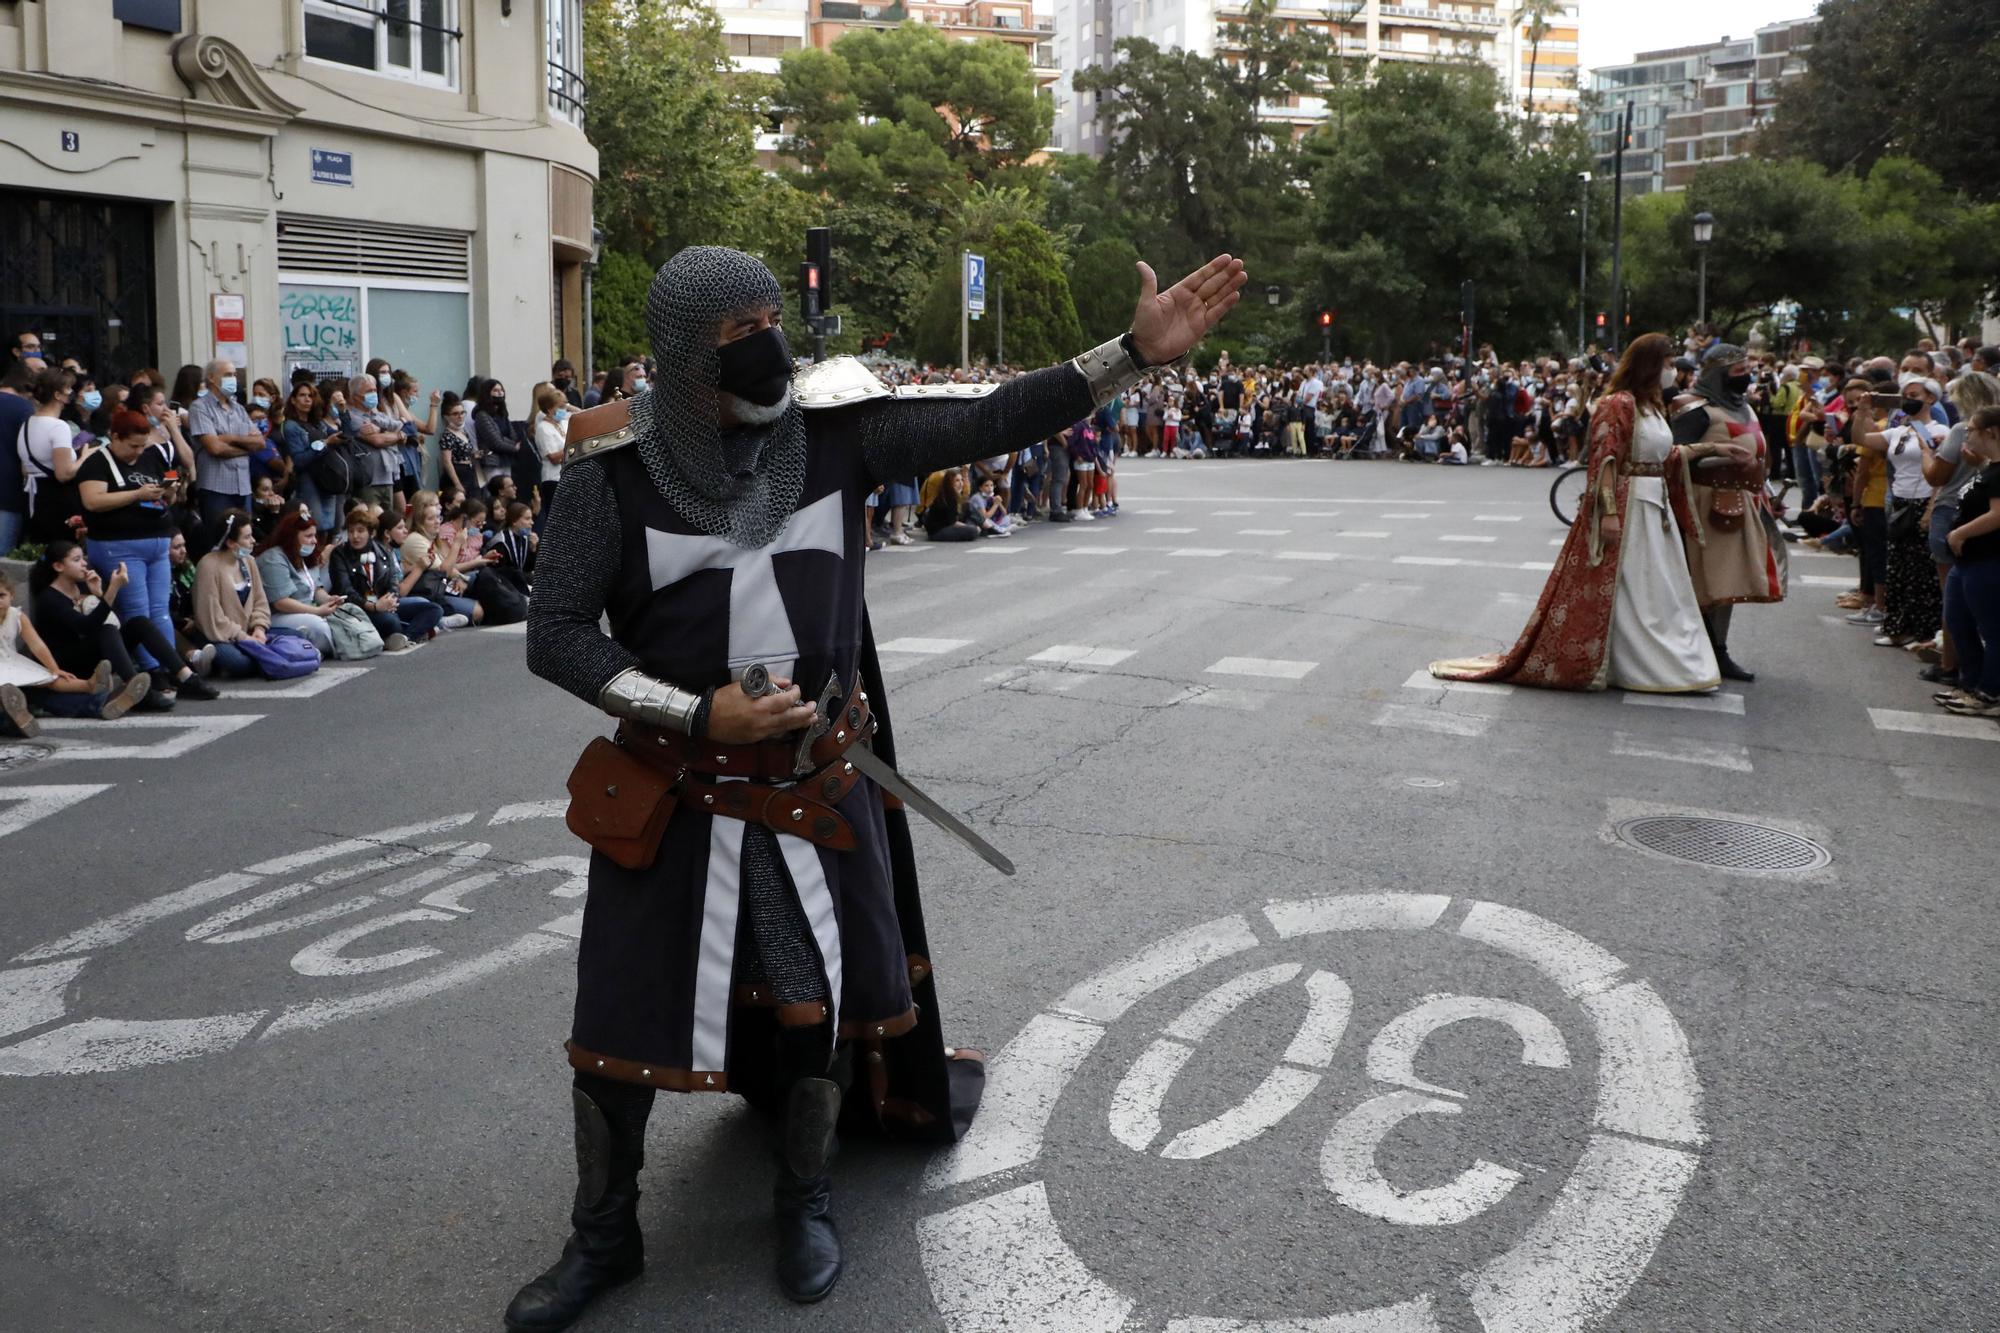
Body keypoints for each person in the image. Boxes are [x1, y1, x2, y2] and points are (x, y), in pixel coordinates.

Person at [512, 244, 1243, 1328]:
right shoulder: (610, 465)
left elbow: (988, 420)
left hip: (808, 783)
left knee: (816, 1005)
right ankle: (603, 1234)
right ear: (678, 353)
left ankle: (803, 1200)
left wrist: (1130, 354)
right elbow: (556, 634)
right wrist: (691, 710)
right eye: (733, 331)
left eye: (771, 314)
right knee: (616, 1022)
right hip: (673, 785)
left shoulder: (836, 430)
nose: (765, 338)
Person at [1432, 333, 1728, 693]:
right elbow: (1605, 460)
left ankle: (1649, 660)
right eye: (1668, 365)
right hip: (1628, 505)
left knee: (1654, 588)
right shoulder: (1618, 404)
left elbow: (1662, 458)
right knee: (1633, 587)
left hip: (1655, 508)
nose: (1674, 372)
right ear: (1651, 365)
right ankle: (1637, 663)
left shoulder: (1652, 407)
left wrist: (1707, 449)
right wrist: (1608, 513)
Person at [1672, 344, 1787, 682]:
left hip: (1742, 501)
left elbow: (1757, 452)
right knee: (1703, 582)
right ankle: (1697, 652)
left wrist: (1764, 492)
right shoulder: (1691, 407)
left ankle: (1718, 649)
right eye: (1738, 372)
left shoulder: (1745, 408)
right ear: (1717, 375)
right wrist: (1719, 456)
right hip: (1703, 501)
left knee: (1726, 584)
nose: (1746, 377)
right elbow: (1673, 455)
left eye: (1746, 370)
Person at [0, 567, 151, 734]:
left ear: (11, 595)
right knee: (22, 695)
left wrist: (54, 669)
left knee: (49, 680)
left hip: (12, 665)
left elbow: (37, 645)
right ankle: (16, 719)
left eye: (1, 596)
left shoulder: (16, 616)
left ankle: (96, 694)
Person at [1938, 406, 2000, 715]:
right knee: (1958, 621)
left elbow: (1997, 515)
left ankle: (1990, 692)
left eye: (1972, 429)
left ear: (1991, 432)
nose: (1967, 433)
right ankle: (1970, 683)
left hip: (1988, 560)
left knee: (1992, 628)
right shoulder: (1990, 467)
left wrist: (1960, 533)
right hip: (1967, 562)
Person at [326, 509, 438, 649]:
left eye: (360, 531)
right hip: (359, 608)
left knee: (433, 609)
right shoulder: (340, 554)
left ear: (371, 533)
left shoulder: (382, 550)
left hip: (383, 603)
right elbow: (345, 589)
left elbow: (393, 582)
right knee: (390, 622)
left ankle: (405, 637)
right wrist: (373, 606)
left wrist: (391, 601)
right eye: (351, 531)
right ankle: (409, 632)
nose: (355, 536)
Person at [190, 512, 276, 678]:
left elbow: (260, 600)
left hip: (248, 631)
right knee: (240, 664)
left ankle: (266, 654)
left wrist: (259, 628)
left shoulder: (249, 561)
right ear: (230, 542)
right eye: (247, 537)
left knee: (297, 635)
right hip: (217, 635)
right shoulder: (208, 565)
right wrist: (243, 637)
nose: (253, 541)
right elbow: (212, 617)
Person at [187, 359, 261, 530]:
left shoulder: (239, 410)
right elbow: (215, 448)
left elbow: (259, 443)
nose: (233, 379)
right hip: (216, 488)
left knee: (244, 538)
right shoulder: (200, 408)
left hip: (243, 487)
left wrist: (230, 437)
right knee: (219, 539)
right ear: (212, 378)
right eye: (228, 375)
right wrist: (245, 449)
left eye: (234, 375)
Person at [253, 510, 338, 657]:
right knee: (320, 626)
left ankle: (315, 649)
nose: (314, 541)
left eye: (314, 535)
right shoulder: (273, 558)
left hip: (306, 611)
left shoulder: (305, 556)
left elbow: (316, 589)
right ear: (292, 537)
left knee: (345, 615)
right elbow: (281, 602)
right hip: (278, 615)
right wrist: (317, 611)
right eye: (308, 536)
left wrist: (329, 600)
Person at [343, 373, 404, 510]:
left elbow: (403, 429)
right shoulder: (352, 418)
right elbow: (377, 441)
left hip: (388, 477)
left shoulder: (379, 415)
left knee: (389, 521)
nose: (373, 394)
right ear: (356, 396)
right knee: (371, 519)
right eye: (368, 391)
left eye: (374, 390)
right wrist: (396, 436)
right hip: (369, 480)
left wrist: (386, 432)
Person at [532, 383, 568, 522]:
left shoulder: (563, 423)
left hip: (566, 475)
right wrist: (571, 448)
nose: (563, 410)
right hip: (553, 479)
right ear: (549, 408)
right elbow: (553, 457)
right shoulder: (543, 428)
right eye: (560, 407)